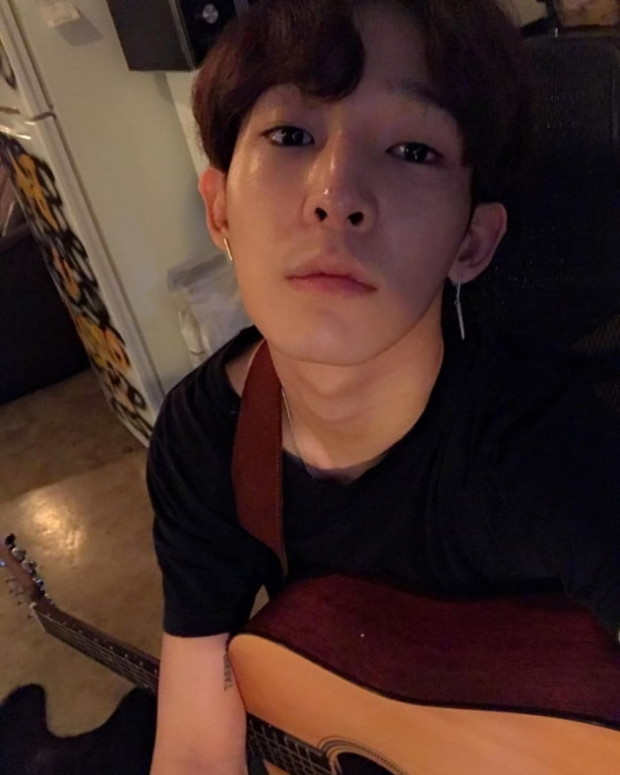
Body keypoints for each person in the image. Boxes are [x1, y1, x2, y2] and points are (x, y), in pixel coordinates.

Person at [147, 1, 620, 773]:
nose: (336, 192)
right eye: (291, 135)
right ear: (220, 209)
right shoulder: (205, 440)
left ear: (472, 243)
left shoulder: (551, 453)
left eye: (412, 149)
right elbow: (196, 740)